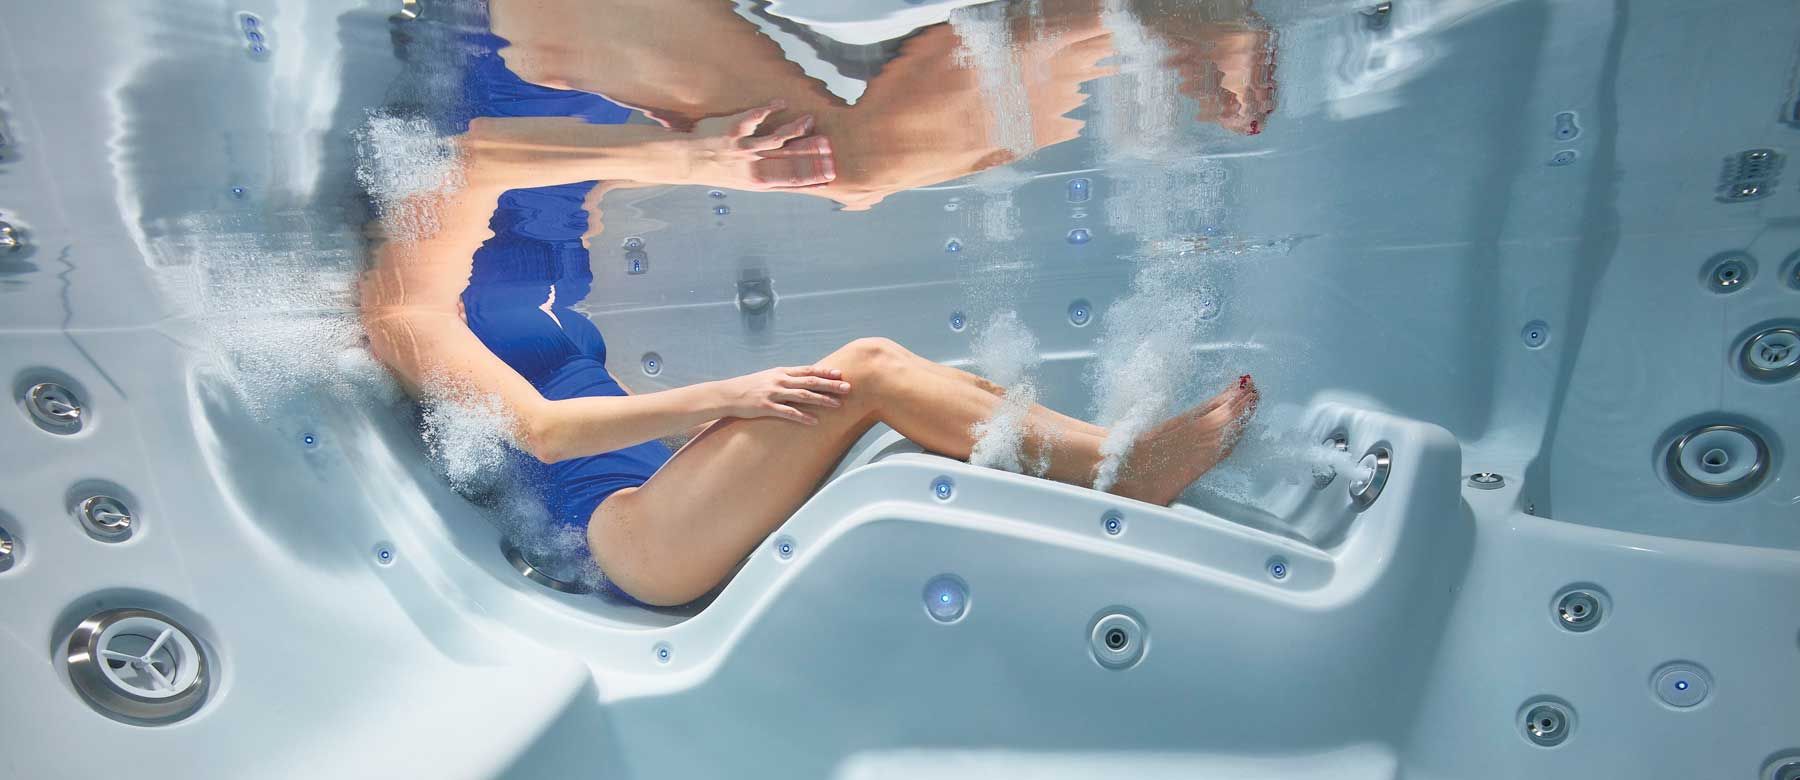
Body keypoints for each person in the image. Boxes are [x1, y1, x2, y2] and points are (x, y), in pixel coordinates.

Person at [361, 1, 1263, 606]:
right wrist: (727, 397)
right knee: (868, 337)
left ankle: (1144, 17)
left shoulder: (423, 262)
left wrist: (692, 159)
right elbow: (546, 433)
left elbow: (476, 161)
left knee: (852, 164)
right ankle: (1119, 466)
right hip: (627, 535)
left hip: (533, 80)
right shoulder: (408, 321)